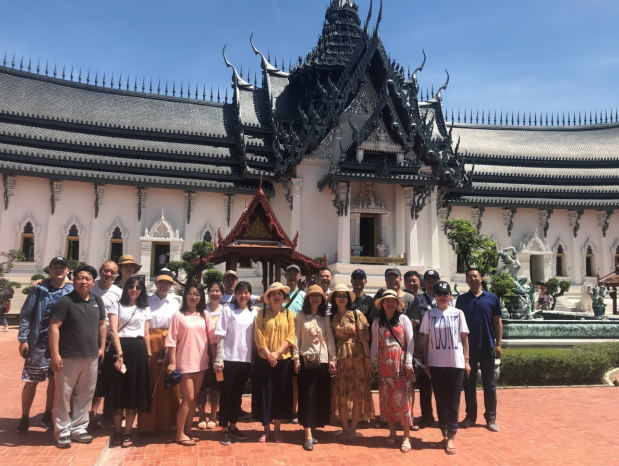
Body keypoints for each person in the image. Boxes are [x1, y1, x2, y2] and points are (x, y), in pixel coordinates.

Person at [48, 265, 106, 448]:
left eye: (88, 279)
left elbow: (102, 324)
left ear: (93, 282)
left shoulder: (97, 301)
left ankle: (79, 428)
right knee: (63, 395)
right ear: (73, 281)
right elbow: (54, 327)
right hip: (68, 356)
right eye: (80, 278)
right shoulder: (65, 301)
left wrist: (102, 347)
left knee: (85, 394)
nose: (84, 282)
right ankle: (62, 431)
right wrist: (55, 354)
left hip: (91, 356)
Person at [17, 256, 74, 434]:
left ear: (68, 270)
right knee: (31, 380)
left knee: (54, 381)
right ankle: (25, 416)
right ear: (49, 270)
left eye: (62, 267)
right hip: (38, 343)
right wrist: (23, 339)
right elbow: (26, 314)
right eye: (55, 267)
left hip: (61, 344)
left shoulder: (72, 290)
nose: (58, 270)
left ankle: (48, 414)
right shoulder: (39, 289)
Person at [421, 281, 470, 456]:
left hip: (455, 363)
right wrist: (427, 362)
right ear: (435, 296)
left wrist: (467, 360)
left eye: (445, 293)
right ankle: (444, 432)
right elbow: (426, 340)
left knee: (453, 401)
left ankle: (452, 436)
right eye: (439, 293)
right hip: (435, 363)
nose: (442, 296)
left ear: (450, 295)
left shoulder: (458, 313)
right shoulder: (429, 314)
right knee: (440, 400)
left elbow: (464, 339)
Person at [166, 282, 216, 447]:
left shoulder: (204, 315)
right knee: (188, 398)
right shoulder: (178, 315)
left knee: (194, 399)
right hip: (184, 362)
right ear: (185, 295)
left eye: (197, 294)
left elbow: (212, 339)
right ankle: (179, 433)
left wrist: (215, 358)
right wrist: (172, 363)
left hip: (201, 362)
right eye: (191, 293)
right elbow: (172, 341)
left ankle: (187, 429)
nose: (194, 297)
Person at [107, 276, 152, 448]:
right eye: (131, 286)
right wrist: (119, 353)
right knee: (118, 390)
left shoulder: (144, 308)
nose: (134, 290)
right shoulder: (117, 305)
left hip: (138, 349)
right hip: (120, 348)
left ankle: (127, 432)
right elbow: (113, 330)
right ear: (126, 288)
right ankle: (118, 431)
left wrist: (149, 355)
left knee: (134, 390)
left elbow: (146, 334)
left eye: (138, 287)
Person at [457, 268, 502, 433]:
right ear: (466, 281)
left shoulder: (492, 298)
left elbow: (497, 322)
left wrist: (498, 344)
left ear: (481, 279)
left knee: (489, 384)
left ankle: (491, 417)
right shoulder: (462, 300)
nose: (472, 279)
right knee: (469, 383)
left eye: (475, 276)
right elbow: (457, 324)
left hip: (487, 345)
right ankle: (470, 416)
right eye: (469, 277)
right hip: (468, 348)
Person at [370, 290, 416, 453]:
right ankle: (392, 432)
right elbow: (374, 345)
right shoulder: (377, 323)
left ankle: (406, 436)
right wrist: (371, 363)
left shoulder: (403, 319)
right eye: (387, 301)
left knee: (404, 399)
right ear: (382, 304)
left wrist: (408, 362)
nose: (390, 303)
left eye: (393, 301)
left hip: (401, 364)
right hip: (384, 365)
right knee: (387, 399)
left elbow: (410, 342)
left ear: (397, 303)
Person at [214, 281, 258, 445]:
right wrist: (219, 358)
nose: (243, 296)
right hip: (228, 359)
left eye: (246, 292)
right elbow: (220, 335)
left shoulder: (254, 313)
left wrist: (253, 359)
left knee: (237, 395)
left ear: (250, 295)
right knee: (226, 395)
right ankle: (224, 429)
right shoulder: (228, 310)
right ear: (235, 294)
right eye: (240, 292)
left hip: (245, 360)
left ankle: (233, 425)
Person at [293, 285, 337, 451]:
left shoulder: (324, 318)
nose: (315, 298)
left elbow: (329, 338)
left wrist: (333, 359)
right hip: (306, 361)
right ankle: (307, 434)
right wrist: (295, 358)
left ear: (322, 299)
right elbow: (296, 339)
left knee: (318, 397)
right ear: (307, 298)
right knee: (307, 397)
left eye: (318, 296)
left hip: (322, 361)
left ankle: (313, 429)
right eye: (312, 295)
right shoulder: (300, 315)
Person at [138, 270, 181, 435]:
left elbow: (176, 326)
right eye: (161, 282)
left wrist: (171, 346)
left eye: (167, 283)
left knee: (168, 381)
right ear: (156, 283)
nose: (164, 285)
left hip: (168, 342)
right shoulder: (146, 301)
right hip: (150, 341)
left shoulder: (174, 303)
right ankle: (148, 424)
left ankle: (167, 422)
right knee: (150, 380)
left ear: (171, 285)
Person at [330, 283, 373, 442]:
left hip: (357, 358)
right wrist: (332, 359)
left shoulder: (357, 314)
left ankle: (353, 429)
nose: (341, 298)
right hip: (340, 358)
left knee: (357, 394)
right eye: (338, 295)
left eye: (344, 296)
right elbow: (331, 341)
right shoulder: (332, 317)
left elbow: (364, 339)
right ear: (334, 298)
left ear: (348, 298)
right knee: (341, 393)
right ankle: (345, 428)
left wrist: (367, 360)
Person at [253, 282, 296, 443]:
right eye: (273, 294)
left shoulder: (289, 314)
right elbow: (258, 336)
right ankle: (266, 430)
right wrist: (269, 354)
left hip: (283, 361)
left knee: (280, 395)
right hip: (264, 361)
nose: (276, 296)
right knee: (265, 395)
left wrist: (277, 353)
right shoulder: (262, 314)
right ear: (269, 297)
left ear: (284, 297)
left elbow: (290, 336)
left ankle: (277, 430)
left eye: (279, 294)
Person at [89, 260, 122, 429]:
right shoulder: (89, 285)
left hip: (108, 340)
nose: (108, 274)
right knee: (84, 376)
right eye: (106, 270)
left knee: (101, 377)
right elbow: (69, 282)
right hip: (87, 336)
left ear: (116, 275)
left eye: (112, 272)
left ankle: (93, 413)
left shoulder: (118, 293)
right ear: (100, 270)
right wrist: (43, 280)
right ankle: (78, 414)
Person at [413, 269, 442, 429]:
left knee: (441, 385)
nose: (431, 283)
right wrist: (417, 350)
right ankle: (426, 416)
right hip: (424, 349)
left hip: (442, 349)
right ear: (424, 283)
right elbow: (415, 326)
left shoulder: (445, 298)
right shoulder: (418, 299)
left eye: (434, 280)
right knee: (424, 386)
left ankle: (443, 417)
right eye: (428, 280)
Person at [198, 281, 224, 431]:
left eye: (217, 291)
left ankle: (213, 416)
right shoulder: (201, 310)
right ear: (207, 293)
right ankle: (202, 416)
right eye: (212, 291)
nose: (214, 293)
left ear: (222, 294)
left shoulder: (225, 311)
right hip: (201, 352)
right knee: (201, 386)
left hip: (218, 353)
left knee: (216, 386)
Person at [284, 264, 306, 424]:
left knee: (297, 379)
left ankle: (294, 410)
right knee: (284, 378)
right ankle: (285, 409)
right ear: (285, 276)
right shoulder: (280, 295)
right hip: (282, 342)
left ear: (300, 276)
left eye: (295, 273)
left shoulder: (304, 296)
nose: (292, 276)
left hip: (299, 341)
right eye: (289, 273)